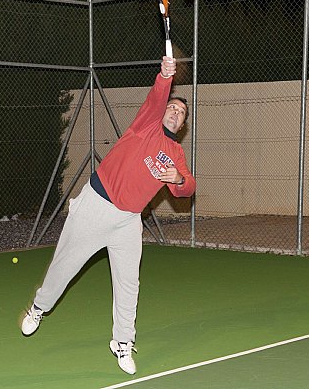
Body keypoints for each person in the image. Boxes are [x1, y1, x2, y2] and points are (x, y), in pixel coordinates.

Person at [21, 56, 196, 375]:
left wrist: (179, 180)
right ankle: (38, 308)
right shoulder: (146, 125)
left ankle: (123, 343)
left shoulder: (176, 155)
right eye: (172, 107)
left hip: (129, 222)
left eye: (181, 112)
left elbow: (188, 188)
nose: (174, 111)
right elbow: (157, 96)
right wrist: (164, 76)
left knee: (129, 282)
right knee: (65, 267)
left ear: (182, 125)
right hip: (96, 206)